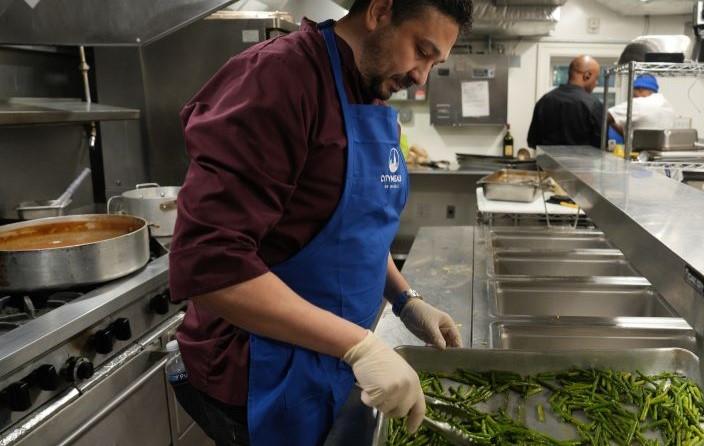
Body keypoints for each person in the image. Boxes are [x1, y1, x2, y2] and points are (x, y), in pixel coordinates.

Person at [168, 1, 472, 445]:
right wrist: (360, 346)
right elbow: (212, 267)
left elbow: (354, 227)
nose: (421, 75)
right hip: (262, 374)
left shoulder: (370, 85)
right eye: (421, 51)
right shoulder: (277, 79)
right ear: (380, 10)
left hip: (327, 360)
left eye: (434, 63)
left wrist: (406, 299)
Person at [527, 55, 602, 148]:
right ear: (587, 75)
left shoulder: (544, 101)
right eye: (596, 78)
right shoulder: (593, 104)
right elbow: (601, 144)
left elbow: (532, 141)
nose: (597, 83)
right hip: (582, 162)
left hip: (546, 162)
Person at [606, 74, 675, 144]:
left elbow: (605, 116)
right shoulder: (667, 105)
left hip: (641, 153)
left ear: (640, 89)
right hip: (662, 153)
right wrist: (613, 121)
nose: (632, 97)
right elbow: (632, 135)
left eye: (633, 93)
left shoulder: (640, 103)